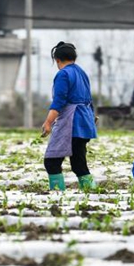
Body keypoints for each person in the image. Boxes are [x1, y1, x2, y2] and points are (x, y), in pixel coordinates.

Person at [41, 41, 98, 191]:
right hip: (85, 121)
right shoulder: (81, 72)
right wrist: (92, 117)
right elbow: (88, 98)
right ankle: (91, 193)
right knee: (79, 163)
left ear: (57, 60)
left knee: (51, 161)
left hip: (71, 121)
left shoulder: (63, 74)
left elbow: (59, 101)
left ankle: (58, 196)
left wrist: (48, 123)